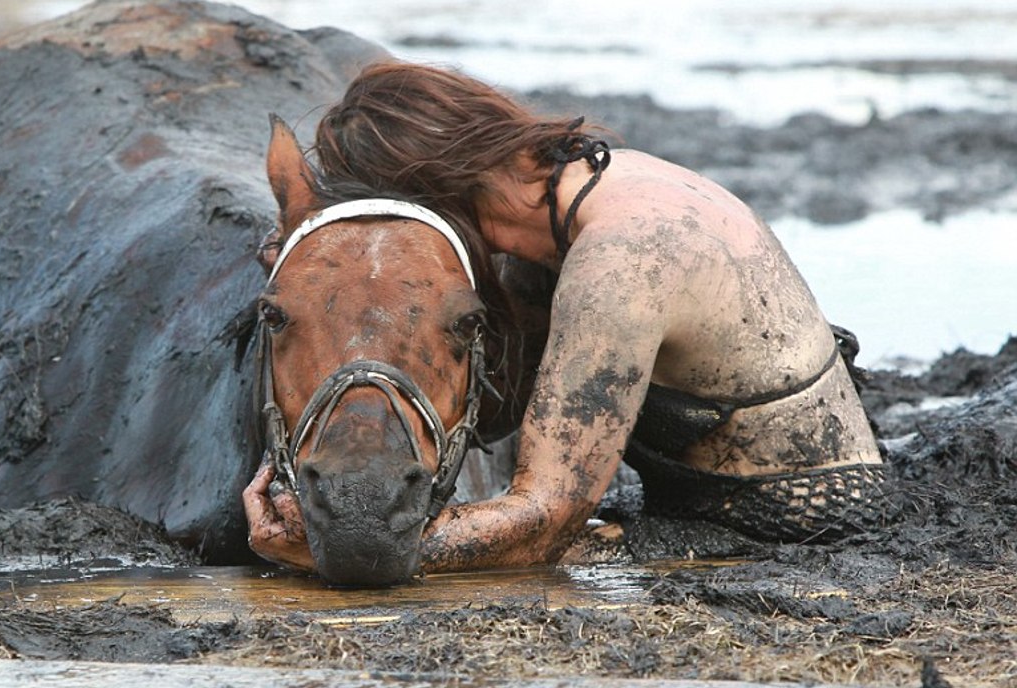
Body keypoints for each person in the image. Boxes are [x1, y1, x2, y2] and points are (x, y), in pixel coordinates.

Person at [244, 61, 890, 574]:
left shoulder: (620, 259)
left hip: (789, 526)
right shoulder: (578, 207)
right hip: (713, 499)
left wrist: (340, 544)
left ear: (432, 187)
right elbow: (497, 415)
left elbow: (545, 520)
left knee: (551, 557)